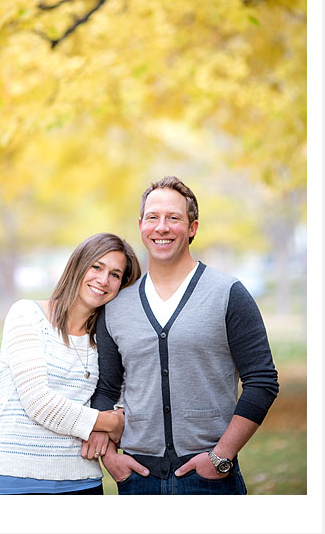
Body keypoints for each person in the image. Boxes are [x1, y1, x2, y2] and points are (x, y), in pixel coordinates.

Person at [88, 176, 280, 495]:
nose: (161, 227)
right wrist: (110, 459)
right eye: (153, 217)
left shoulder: (228, 294)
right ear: (141, 225)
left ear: (192, 227)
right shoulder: (116, 305)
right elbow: (107, 387)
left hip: (211, 479)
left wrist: (220, 457)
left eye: (173, 218)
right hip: (138, 479)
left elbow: (262, 382)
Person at [0, 232, 141, 494]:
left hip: (82, 479)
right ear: (78, 266)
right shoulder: (26, 315)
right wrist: (109, 423)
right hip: (17, 478)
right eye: (97, 267)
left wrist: (119, 415)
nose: (103, 280)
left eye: (115, 274)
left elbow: (127, 389)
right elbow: (38, 401)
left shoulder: (108, 339)